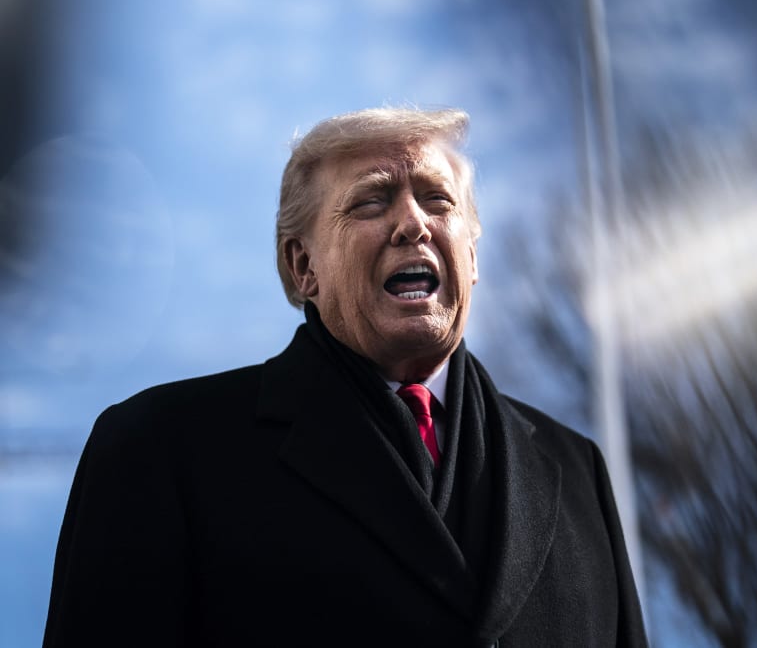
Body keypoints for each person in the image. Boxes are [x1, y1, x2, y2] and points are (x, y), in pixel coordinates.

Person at [43, 108, 647, 647]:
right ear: (302, 265)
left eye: (438, 200)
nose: (413, 223)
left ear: (473, 255)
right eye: (372, 201)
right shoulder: (160, 449)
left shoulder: (577, 472)